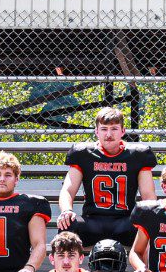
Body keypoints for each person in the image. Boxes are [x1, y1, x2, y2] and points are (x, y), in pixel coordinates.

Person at [57, 106, 159, 251]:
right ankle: (66, 266)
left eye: (114, 129)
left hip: (126, 222)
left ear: (123, 131)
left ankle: (145, 265)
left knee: (150, 222)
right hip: (92, 221)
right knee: (67, 222)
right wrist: (66, 210)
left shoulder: (138, 155)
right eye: (104, 129)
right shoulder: (83, 154)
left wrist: (148, 217)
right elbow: (68, 190)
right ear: (96, 131)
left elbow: (148, 195)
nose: (109, 134)